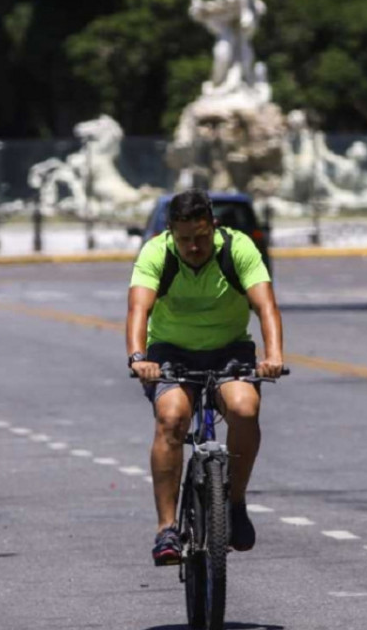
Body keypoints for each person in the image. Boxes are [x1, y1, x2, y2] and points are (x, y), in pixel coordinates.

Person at [125, 189, 285, 565]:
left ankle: (234, 503)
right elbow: (138, 309)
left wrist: (274, 356)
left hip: (229, 349)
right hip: (169, 351)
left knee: (245, 409)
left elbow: (266, 306)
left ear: (212, 225)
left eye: (200, 237)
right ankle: (166, 528)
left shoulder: (238, 248)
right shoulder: (156, 253)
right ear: (171, 233)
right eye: (184, 240)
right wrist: (138, 358)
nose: (193, 247)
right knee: (172, 417)